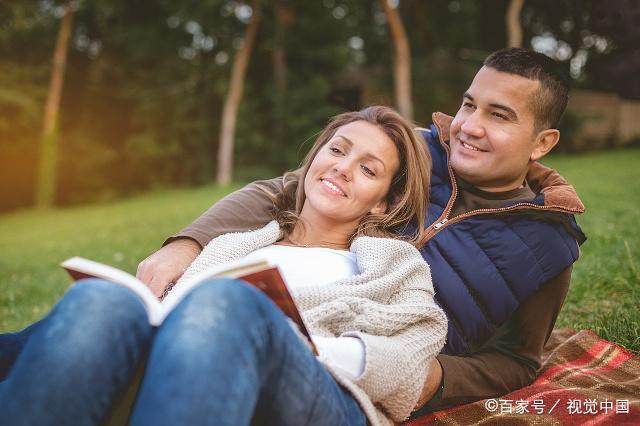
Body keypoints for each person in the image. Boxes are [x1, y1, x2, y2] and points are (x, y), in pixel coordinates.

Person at [137, 47, 587, 414]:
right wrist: (186, 244)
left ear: (542, 142)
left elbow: (516, 360)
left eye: (499, 116)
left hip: (378, 366)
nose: (470, 126)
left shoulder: (549, 243)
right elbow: (286, 189)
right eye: (469, 104)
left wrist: (432, 379)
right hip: (312, 313)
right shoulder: (411, 151)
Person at [1, 106, 448, 426]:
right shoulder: (235, 245)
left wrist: (316, 349)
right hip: (183, 367)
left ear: (386, 201)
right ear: (314, 159)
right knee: (101, 298)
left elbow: (411, 359)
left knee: (228, 298)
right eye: (337, 150)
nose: (343, 168)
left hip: (314, 394)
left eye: (368, 170)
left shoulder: (394, 264)